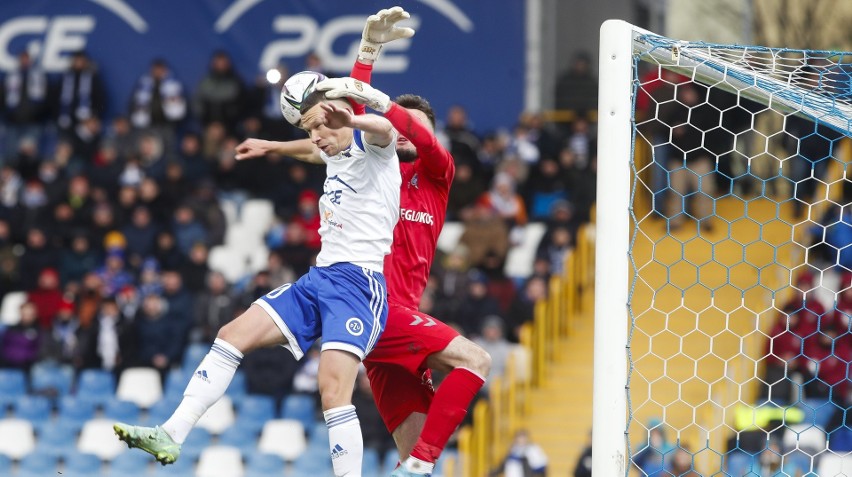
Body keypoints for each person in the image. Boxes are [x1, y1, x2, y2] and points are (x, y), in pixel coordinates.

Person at [234, 8, 491, 476]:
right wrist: (364, 65)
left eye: (419, 127)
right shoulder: (373, 167)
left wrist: (379, 102)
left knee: (414, 458)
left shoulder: (437, 172)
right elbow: (337, 127)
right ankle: (421, 463)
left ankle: (418, 464)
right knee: (476, 361)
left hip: (395, 325)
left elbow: (397, 128)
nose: (410, 132)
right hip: (375, 307)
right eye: (404, 125)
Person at [114, 73, 401, 477]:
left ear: (343, 116)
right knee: (230, 335)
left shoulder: (375, 151)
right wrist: (272, 146)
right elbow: (314, 151)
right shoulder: (333, 152)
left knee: (333, 393)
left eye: (321, 124)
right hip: (319, 280)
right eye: (309, 128)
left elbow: (386, 128)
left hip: (358, 285)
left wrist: (352, 120)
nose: (317, 135)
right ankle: (171, 433)